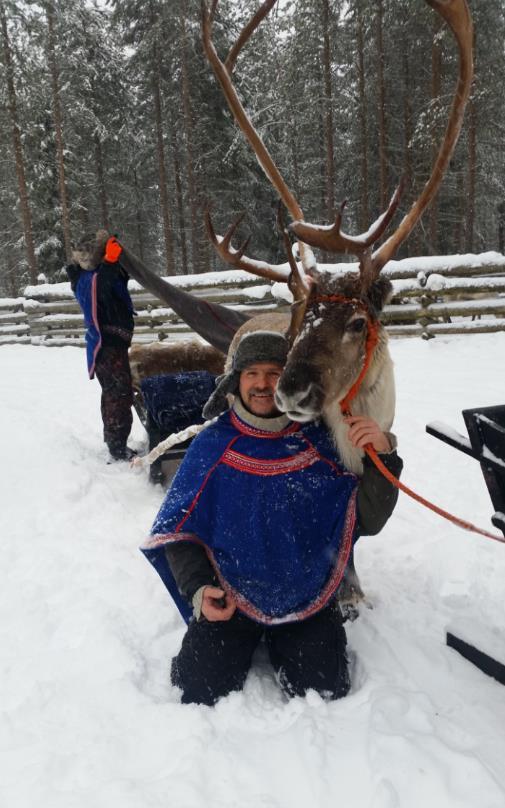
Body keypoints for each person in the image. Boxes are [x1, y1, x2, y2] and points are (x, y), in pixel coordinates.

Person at [141, 331, 403, 705]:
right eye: (252, 373)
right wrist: (200, 590)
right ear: (237, 380)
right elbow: (179, 532)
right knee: (197, 688)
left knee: (324, 689)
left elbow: (368, 519)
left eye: (274, 372)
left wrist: (383, 457)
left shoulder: (322, 444)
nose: (262, 384)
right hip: (230, 592)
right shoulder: (211, 447)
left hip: (307, 593)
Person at [66, 233, 136, 461]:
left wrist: (113, 262)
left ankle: (115, 442)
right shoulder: (88, 280)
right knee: (118, 395)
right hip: (107, 348)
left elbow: (113, 281)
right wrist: (110, 262)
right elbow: (101, 288)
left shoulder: (90, 276)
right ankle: (117, 448)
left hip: (111, 347)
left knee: (114, 394)